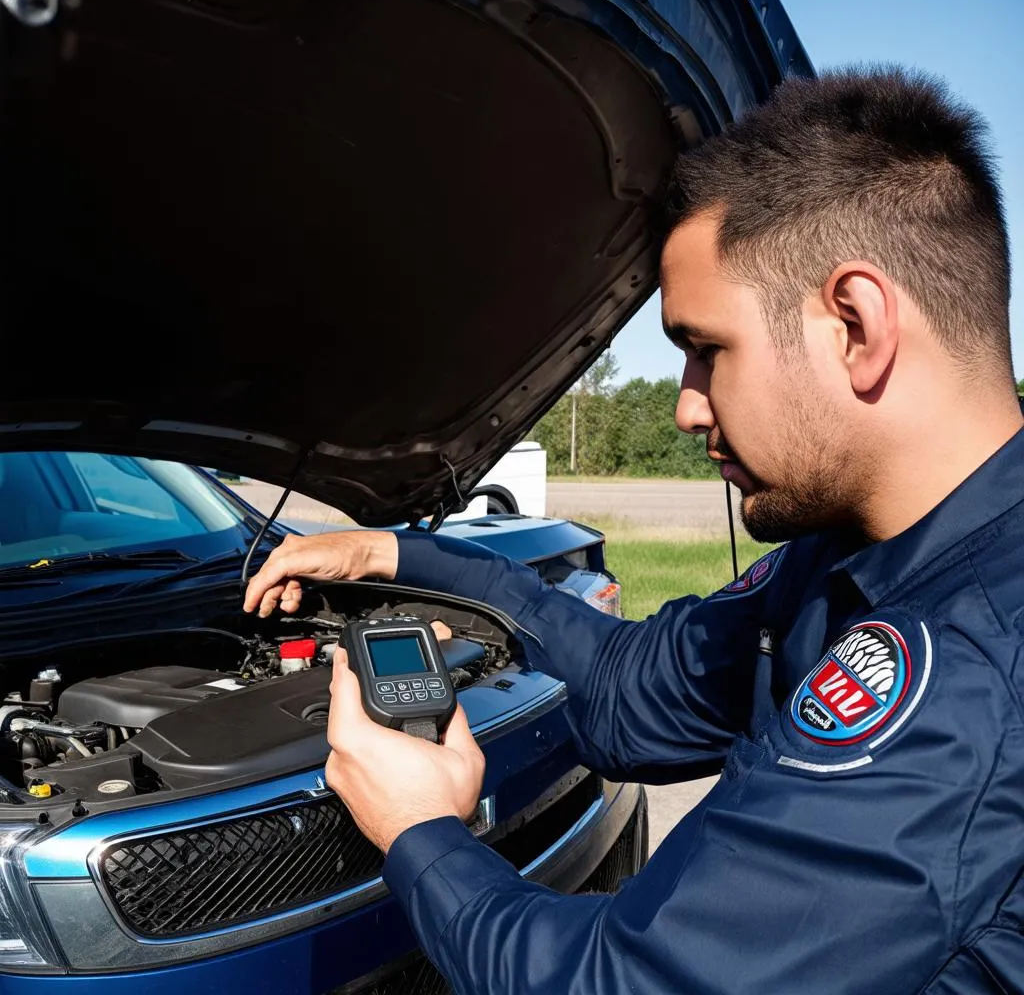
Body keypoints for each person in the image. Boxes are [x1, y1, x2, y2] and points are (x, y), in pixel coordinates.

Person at [244, 67, 1024, 993]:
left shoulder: (968, 672)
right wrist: (397, 554)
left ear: (855, 323)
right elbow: (625, 688)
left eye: (706, 350)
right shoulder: (846, 557)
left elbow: (627, 983)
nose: (689, 407)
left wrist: (423, 835)